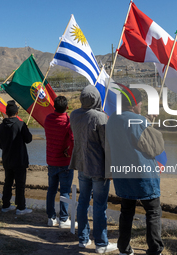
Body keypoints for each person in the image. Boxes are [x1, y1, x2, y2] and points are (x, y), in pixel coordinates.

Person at [106, 88, 164, 255]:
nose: (141, 106)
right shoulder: (139, 120)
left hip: (122, 174)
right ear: (134, 104)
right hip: (143, 174)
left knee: (126, 211)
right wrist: (149, 124)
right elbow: (156, 148)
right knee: (153, 211)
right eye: (140, 103)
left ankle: (124, 248)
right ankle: (155, 248)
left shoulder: (112, 120)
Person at [69, 85, 117, 254]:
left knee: (82, 202)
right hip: (98, 168)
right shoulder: (101, 118)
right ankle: (102, 244)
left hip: (82, 166)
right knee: (99, 206)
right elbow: (107, 146)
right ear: (97, 99)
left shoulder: (73, 115)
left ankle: (83, 239)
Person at [0, 100, 33, 215]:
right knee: (20, 184)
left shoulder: (1, 126)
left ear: (7, 113)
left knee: (8, 182)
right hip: (19, 160)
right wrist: (25, 129)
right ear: (17, 112)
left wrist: (7, 148)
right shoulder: (20, 124)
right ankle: (21, 208)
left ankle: (5, 205)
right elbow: (28, 139)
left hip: (7, 159)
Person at [44, 96, 75, 228]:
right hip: (64, 161)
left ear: (54, 106)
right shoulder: (68, 121)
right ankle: (63, 218)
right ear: (67, 107)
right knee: (65, 191)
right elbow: (73, 140)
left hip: (51, 160)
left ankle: (51, 217)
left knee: (51, 189)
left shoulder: (48, 119)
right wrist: (70, 153)